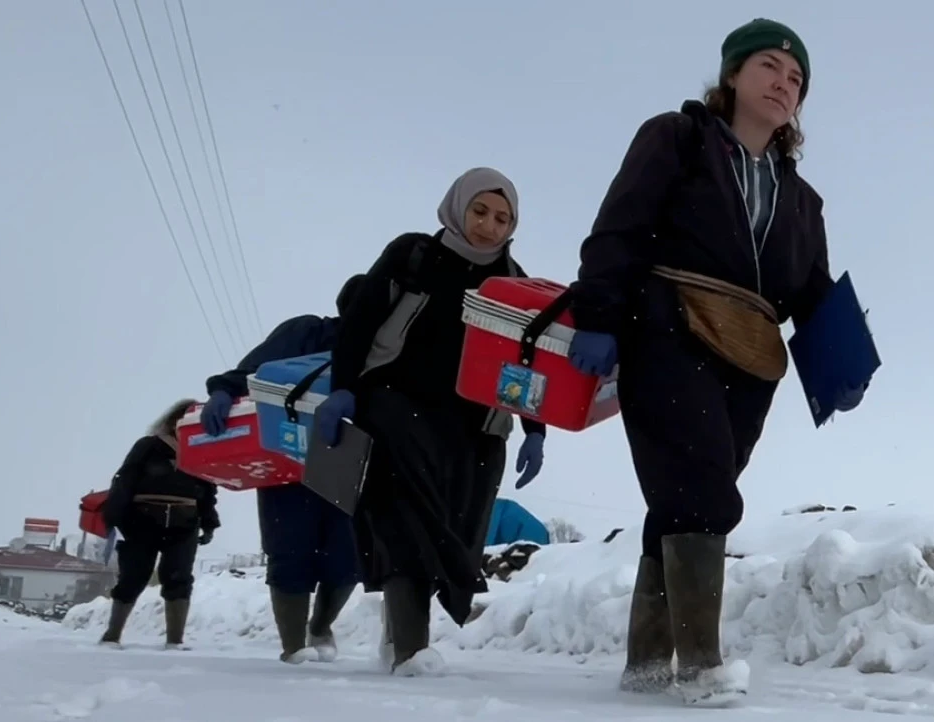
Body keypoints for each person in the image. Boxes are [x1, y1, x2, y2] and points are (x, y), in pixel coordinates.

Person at [565, 19, 865, 704]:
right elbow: (620, 225)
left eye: (796, 80)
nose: (783, 84)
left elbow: (811, 288)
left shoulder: (801, 197)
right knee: (702, 487)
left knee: (682, 497)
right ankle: (701, 665)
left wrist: (840, 363)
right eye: (769, 67)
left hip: (753, 357)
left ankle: (645, 664)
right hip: (669, 325)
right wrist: (601, 316)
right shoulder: (677, 138)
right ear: (731, 74)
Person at [315, 167, 547, 674]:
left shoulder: (512, 281)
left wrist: (535, 429)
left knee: (452, 530)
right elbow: (360, 322)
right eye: (480, 211)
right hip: (395, 405)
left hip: (472, 427)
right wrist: (343, 391)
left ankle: (400, 632)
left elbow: (527, 362)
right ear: (457, 206)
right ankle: (410, 651)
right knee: (407, 521)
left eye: (502, 218)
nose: (489, 226)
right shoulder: (413, 254)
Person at [199, 278, 363, 664]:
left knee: (348, 555)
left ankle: (320, 626)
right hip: (285, 455)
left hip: (353, 462)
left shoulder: (385, 348)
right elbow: (256, 368)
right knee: (289, 550)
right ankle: (293, 646)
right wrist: (224, 391)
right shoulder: (306, 331)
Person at [99, 398, 220, 649]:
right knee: (133, 576)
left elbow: (208, 489)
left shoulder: (202, 449)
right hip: (141, 520)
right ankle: (112, 635)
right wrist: (115, 517)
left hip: (185, 521)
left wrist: (209, 522)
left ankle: (175, 641)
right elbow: (124, 479)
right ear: (174, 421)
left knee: (179, 577)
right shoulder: (147, 446)